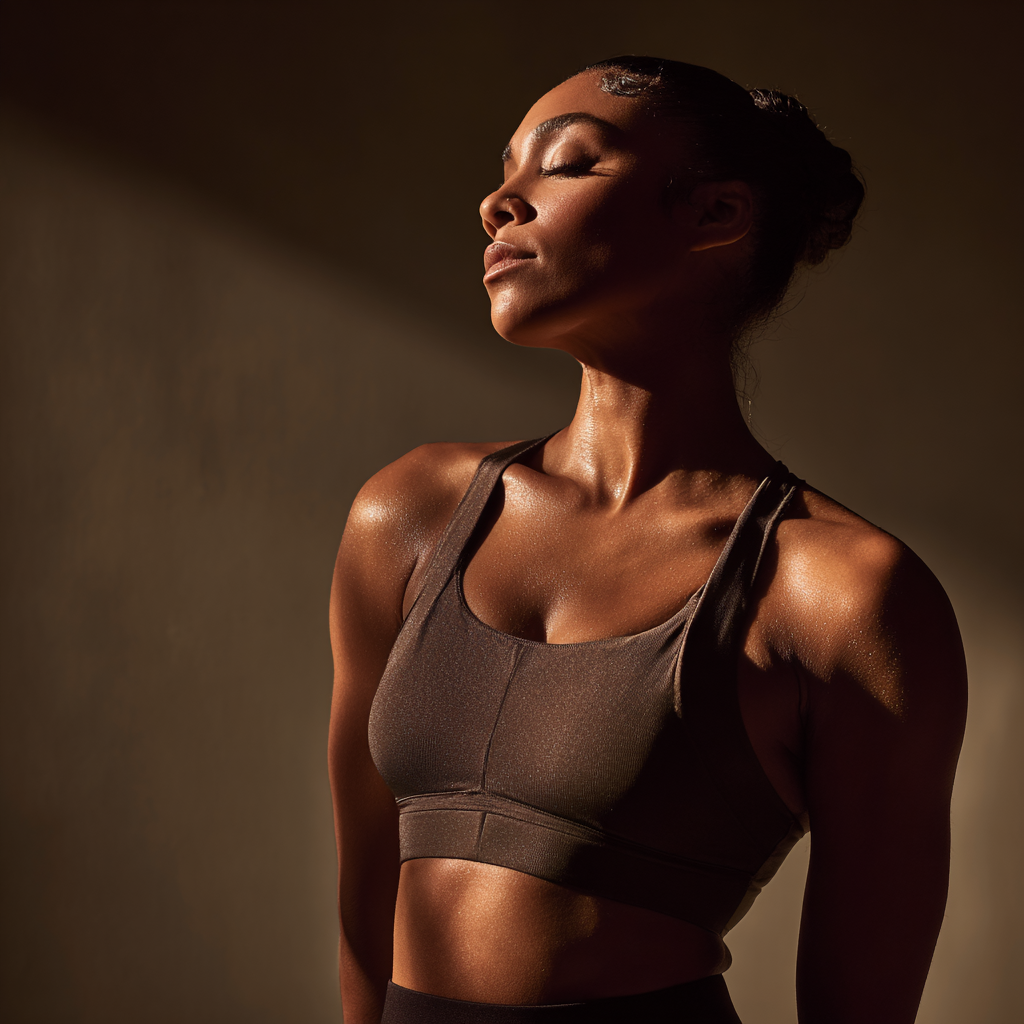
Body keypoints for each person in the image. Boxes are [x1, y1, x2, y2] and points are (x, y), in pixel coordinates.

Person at [328, 56, 967, 1024]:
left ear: (715, 215)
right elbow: (366, 871)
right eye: (505, 170)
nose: (499, 203)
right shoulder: (408, 513)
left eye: (570, 163)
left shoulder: (841, 593)